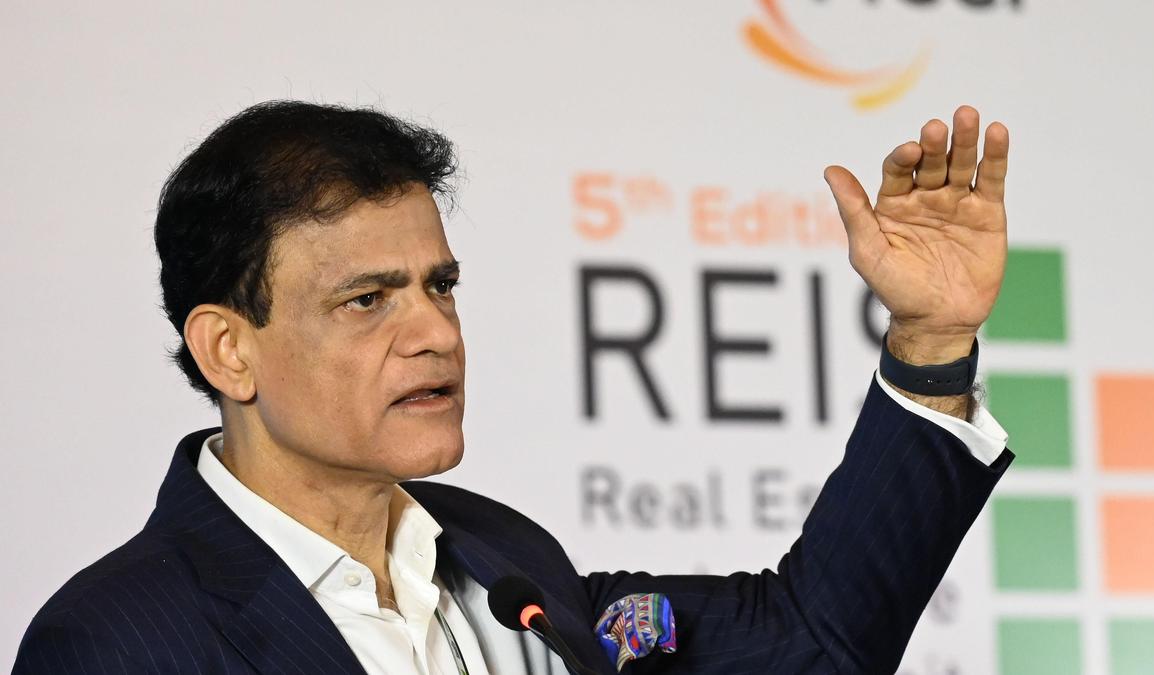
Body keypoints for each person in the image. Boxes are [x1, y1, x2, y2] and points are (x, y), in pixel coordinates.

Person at [15, 100, 1013, 674]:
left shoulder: (509, 566)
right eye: (367, 300)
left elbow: (812, 640)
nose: (434, 332)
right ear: (228, 350)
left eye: (440, 286)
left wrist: (931, 339)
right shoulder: (115, 641)